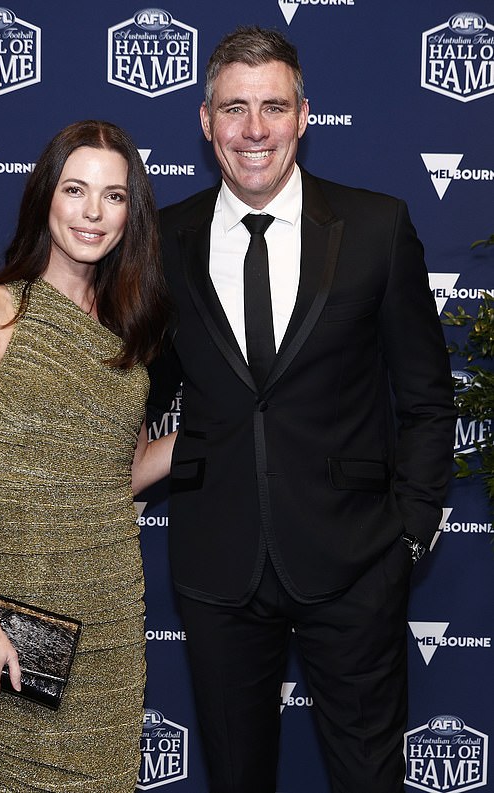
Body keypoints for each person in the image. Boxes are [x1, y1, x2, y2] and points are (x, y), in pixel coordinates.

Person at [150, 26, 457, 793]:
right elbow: (136, 390)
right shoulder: (164, 239)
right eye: (235, 109)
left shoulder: (377, 228)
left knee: (368, 778)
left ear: (305, 115)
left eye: (274, 107)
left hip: (356, 562)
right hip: (218, 567)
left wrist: (410, 532)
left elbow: (425, 395)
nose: (254, 130)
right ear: (205, 120)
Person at [0, 120, 174, 793]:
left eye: (114, 196)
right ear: (47, 195)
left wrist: (220, 430)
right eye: (76, 189)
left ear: (132, 212)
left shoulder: (128, 331)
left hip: (110, 612)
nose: (93, 212)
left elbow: (120, 474)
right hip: (14, 613)